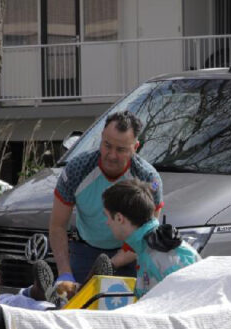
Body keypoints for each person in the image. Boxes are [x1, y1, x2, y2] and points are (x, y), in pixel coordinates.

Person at [48, 111, 162, 292]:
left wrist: (111, 264)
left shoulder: (147, 178)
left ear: (135, 147)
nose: (111, 155)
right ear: (101, 138)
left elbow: (147, 233)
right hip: (85, 249)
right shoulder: (77, 170)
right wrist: (64, 273)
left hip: (129, 254)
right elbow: (57, 226)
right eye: (107, 145)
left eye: (121, 149)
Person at [100, 179, 201, 299]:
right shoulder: (148, 248)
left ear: (119, 218)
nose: (107, 223)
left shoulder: (161, 257)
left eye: (107, 216)